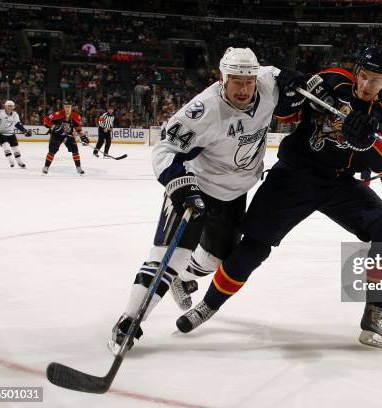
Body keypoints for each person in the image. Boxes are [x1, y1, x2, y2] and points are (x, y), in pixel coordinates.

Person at [177, 46, 382, 350]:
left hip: (337, 184)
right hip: (294, 175)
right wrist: (290, 91)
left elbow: (381, 163)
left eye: (376, 80)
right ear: (356, 72)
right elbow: (285, 113)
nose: (367, 85)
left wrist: (362, 142)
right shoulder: (331, 81)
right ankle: (208, 305)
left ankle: (375, 313)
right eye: (364, 76)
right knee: (255, 247)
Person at [108, 47, 306, 353]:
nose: (243, 88)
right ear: (223, 78)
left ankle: (182, 277)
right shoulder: (203, 109)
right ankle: (129, 321)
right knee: (167, 257)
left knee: (214, 259)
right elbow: (164, 150)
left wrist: (296, 79)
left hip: (234, 193)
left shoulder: (266, 82)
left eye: (248, 81)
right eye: (236, 81)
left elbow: (279, 73)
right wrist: (179, 183)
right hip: (195, 188)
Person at [42, 101, 89, 175]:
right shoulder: (58, 114)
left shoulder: (76, 116)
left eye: (69, 107)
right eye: (66, 107)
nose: (67, 108)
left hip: (68, 135)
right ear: (64, 107)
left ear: (71, 108)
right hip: (56, 135)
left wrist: (82, 136)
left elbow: (78, 127)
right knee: (52, 151)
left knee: (75, 150)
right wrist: (54, 126)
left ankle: (78, 168)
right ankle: (46, 167)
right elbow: (46, 120)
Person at [0, 100, 32, 168]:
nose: (10, 107)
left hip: (11, 133)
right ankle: (10, 160)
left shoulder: (15, 114)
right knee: (6, 147)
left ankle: (19, 162)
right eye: (9, 106)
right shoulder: (0, 113)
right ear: (5, 106)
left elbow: (17, 124)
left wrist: (24, 131)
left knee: (16, 149)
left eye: (11, 106)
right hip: (1, 133)